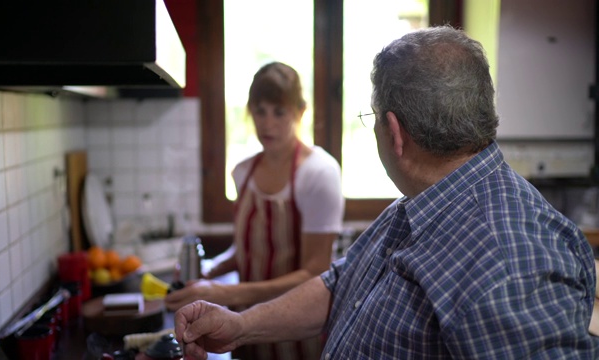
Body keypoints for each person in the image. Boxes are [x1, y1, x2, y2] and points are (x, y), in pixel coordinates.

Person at [173, 25, 599, 359]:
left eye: (372, 116)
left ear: (393, 132)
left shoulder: (510, 255)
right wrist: (241, 325)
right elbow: (339, 284)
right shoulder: (414, 207)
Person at [164, 61, 345, 359]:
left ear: (300, 112)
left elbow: (316, 272)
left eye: (279, 111)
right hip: (244, 333)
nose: (268, 123)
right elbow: (250, 249)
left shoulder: (318, 172)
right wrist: (210, 269)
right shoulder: (243, 172)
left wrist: (226, 293)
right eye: (259, 111)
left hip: (297, 332)